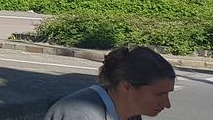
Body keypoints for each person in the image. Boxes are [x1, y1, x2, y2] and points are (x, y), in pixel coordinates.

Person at [45, 46, 175, 120]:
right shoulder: (84, 115)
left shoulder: (131, 114)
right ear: (126, 87)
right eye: (159, 94)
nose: (167, 104)